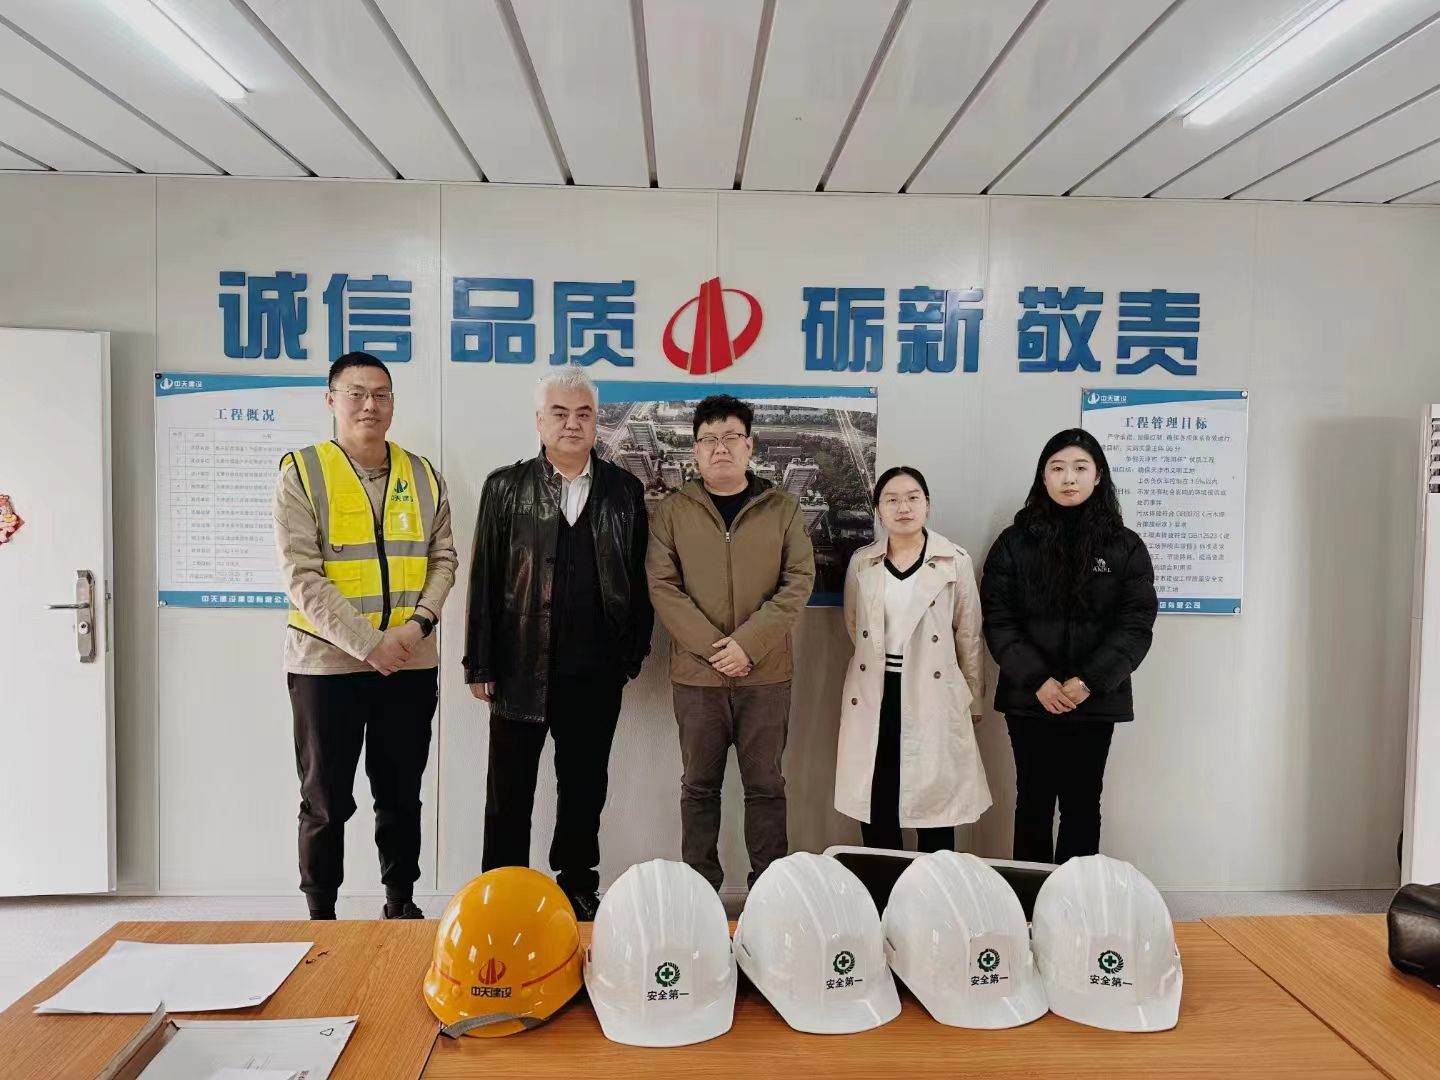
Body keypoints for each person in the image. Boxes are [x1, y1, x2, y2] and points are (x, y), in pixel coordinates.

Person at [462, 367, 652, 920]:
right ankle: (501, 890)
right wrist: (480, 661)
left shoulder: (624, 491)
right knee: (509, 790)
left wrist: (631, 655)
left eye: (584, 414)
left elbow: (640, 579)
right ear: (539, 420)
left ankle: (577, 884)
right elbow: (484, 577)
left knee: (585, 787)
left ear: (596, 422)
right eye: (560, 413)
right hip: (519, 665)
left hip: (596, 670)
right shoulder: (505, 487)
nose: (572, 424)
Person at [275, 351, 457, 920]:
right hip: (326, 667)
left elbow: (444, 559)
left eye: (381, 394)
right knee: (326, 801)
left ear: (393, 403)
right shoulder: (303, 472)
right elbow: (302, 575)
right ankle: (321, 915)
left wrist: (417, 626)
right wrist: (369, 644)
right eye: (356, 393)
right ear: (331, 400)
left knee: (401, 795)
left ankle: (400, 903)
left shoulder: (423, 475)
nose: (369, 405)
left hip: (410, 662)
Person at [647, 394, 815, 892]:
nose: (720, 448)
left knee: (766, 787)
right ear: (696, 450)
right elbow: (662, 586)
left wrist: (749, 645)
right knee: (699, 787)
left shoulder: (782, 508)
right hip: (697, 678)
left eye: (731, 438)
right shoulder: (672, 511)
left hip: (766, 675)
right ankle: (699, 891)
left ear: (749, 445)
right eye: (708, 440)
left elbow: (798, 581)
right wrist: (716, 650)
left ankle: (769, 892)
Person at [981, 429, 1158, 865]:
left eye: (1080, 468)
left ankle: (1076, 898)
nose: (1069, 478)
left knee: (1082, 802)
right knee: (1033, 801)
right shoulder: (1014, 543)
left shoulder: (1125, 546)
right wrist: (1038, 680)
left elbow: (1135, 625)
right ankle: (1028, 898)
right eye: (1057, 468)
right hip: (1030, 698)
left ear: (1098, 476)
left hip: (1095, 698)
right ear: (1043, 477)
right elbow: (999, 621)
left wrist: (1088, 681)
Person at [835, 466, 990, 852]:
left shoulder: (954, 560)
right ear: (879, 510)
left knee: (934, 805)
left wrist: (973, 698)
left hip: (933, 691)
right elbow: (855, 626)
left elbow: (969, 635)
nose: (903, 507)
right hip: (876, 690)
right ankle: (882, 885)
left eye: (912, 498)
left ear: (927, 505)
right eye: (891, 499)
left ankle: (932, 888)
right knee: (878, 797)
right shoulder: (862, 562)